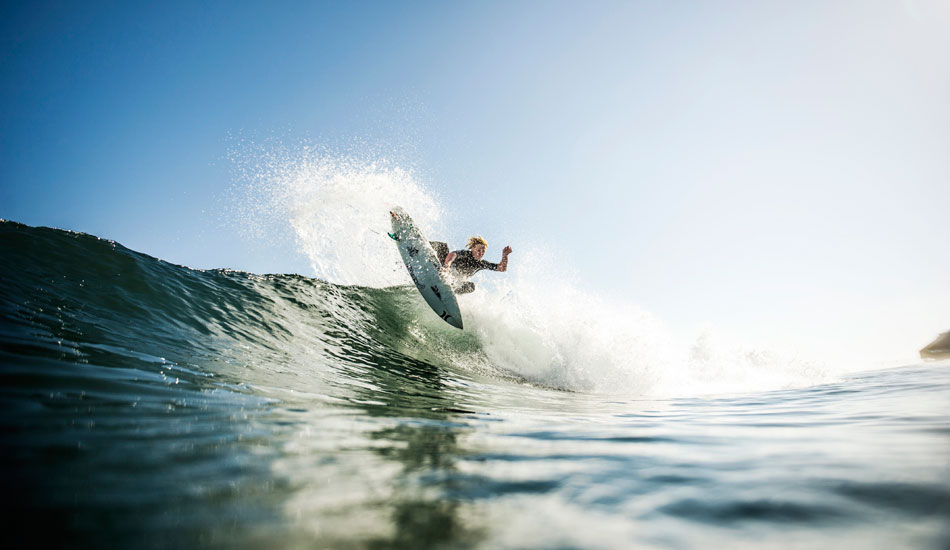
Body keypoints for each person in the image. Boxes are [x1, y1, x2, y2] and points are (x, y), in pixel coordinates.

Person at [429, 236, 512, 294]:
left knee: (471, 287)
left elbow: (501, 268)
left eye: (483, 251)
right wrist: (447, 266)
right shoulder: (466, 254)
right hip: (442, 269)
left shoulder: (481, 264)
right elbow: (453, 254)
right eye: (479, 250)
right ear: (473, 248)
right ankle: (421, 246)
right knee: (443, 246)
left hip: (453, 282)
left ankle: (448, 290)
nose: (481, 253)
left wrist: (505, 255)